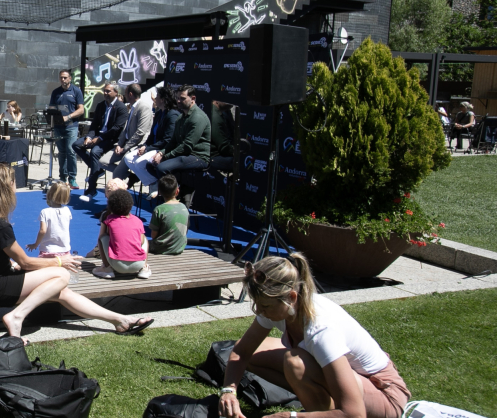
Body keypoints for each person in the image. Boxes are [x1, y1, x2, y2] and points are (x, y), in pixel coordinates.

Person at [0, 163, 153, 339]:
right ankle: (17, 315)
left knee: (61, 291)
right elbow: (26, 262)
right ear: (8, 186)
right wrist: (59, 261)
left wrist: (11, 264)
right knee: (62, 275)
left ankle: (120, 320)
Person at [218, 254, 412, 418]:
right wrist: (229, 391)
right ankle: (322, 405)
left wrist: (290, 417)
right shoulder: (281, 306)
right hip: (353, 381)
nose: (259, 311)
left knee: (295, 363)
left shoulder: (321, 332)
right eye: (256, 304)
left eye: (265, 306)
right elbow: (242, 351)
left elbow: (355, 414)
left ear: (291, 297)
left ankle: (322, 410)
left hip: (386, 397)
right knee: (256, 354)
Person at [145, 84, 210, 200]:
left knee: (161, 168)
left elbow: (187, 146)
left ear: (193, 98)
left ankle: (174, 195)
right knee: (150, 165)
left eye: (182, 98)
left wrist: (165, 156)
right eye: (178, 98)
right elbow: (173, 141)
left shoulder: (198, 117)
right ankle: (178, 188)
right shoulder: (181, 117)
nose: (178, 101)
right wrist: (161, 153)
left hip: (197, 156)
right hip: (184, 154)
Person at [73, 82, 128, 202]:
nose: (105, 93)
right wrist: (89, 137)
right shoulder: (100, 105)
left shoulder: (121, 108)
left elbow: (116, 129)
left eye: (108, 91)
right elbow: (94, 124)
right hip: (97, 135)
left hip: (111, 139)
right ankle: (97, 169)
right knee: (76, 145)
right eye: (105, 91)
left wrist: (100, 139)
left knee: (95, 152)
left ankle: (91, 189)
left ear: (116, 92)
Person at [119, 85, 179, 191]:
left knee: (139, 163)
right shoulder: (159, 113)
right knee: (128, 158)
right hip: (152, 146)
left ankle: (156, 186)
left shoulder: (172, 115)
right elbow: (151, 136)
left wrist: (147, 149)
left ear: (163, 99)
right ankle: (154, 182)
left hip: (162, 148)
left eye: (157, 96)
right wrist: (144, 146)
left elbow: (167, 140)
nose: (155, 98)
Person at [92, 180, 151, 279]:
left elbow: (103, 237)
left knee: (102, 238)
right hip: (138, 264)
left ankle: (106, 268)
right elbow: (141, 241)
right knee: (144, 238)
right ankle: (144, 268)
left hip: (117, 264)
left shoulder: (109, 220)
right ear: (130, 205)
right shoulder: (138, 221)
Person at [109, 84, 153, 185]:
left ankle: (118, 192)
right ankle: (132, 176)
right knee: (103, 162)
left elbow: (140, 132)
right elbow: (126, 129)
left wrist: (125, 148)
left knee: (116, 174)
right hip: (124, 145)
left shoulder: (143, 107)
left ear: (130, 94)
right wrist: (119, 144)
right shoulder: (131, 107)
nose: (124, 95)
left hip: (135, 147)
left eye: (125, 93)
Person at [49, 69, 85, 188]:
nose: (63, 79)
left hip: (71, 126)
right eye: (61, 77)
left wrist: (68, 117)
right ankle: (63, 177)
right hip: (58, 127)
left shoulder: (76, 91)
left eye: (65, 77)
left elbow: (81, 109)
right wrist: (53, 114)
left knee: (71, 151)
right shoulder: (55, 92)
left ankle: (72, 178)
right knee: (62, 153)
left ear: (70, 78)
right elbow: (51, 108)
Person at [24, 182, 72, 258]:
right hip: (64, 250)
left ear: (49, 194)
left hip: (48, 250)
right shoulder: (67, 210)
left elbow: (43, 231)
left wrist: (36, 244)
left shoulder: (45, 212)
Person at [148, 175, 189, 255]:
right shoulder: (184, 207)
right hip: (179, 247)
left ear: (160, 192)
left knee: (142, 242)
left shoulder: (159, 209)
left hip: (160, 248)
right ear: (177, 191)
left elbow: (153, 235)